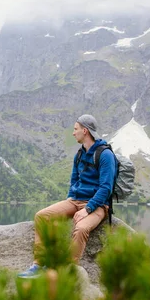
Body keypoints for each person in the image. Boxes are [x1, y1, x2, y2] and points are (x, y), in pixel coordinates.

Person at [18, 114, 116, 278]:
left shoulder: (105, 155)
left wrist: (88, 208)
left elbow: (106, 188)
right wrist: (71, 199)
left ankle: (67, 270)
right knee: (41, 216)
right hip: (75, 200)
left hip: (98, 205)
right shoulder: (79, 155)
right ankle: (39, 264)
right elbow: (74, 180)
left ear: (85, 131)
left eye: (75, 129)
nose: (73, 133)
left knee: (81, 229)